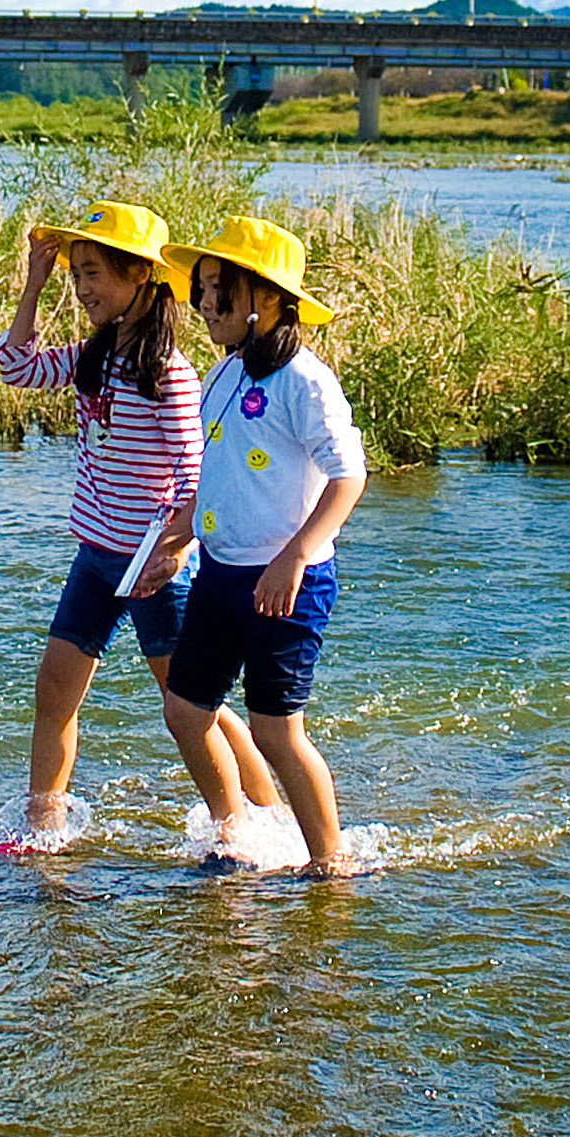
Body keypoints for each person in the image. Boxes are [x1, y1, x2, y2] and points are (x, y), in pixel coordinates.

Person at [0, 202, 290, 857]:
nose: (83, 287)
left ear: (141, 278)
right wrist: (32, 286)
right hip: (96, 558)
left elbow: (201, 480)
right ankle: (42, 832)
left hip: (157, 569)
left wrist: (177, 553)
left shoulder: (170, 376)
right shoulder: (92, 358)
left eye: (94, 272)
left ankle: (249, 824)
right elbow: (15, 366)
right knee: (53, 693)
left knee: (194, 711)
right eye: (76, 274)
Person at [155, 213, 370, 876]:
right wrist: (181, 528)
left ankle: (330, 864)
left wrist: (296, 554)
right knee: (186, 711)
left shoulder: (305, 381)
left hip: (287, 585)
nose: (207, 303)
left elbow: (349, 476)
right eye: (203, 287)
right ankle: (235, 830)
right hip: (220, 578)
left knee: (276, 730)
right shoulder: (223, 376)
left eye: (222, 289)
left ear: (270, 300)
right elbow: (218, 475)